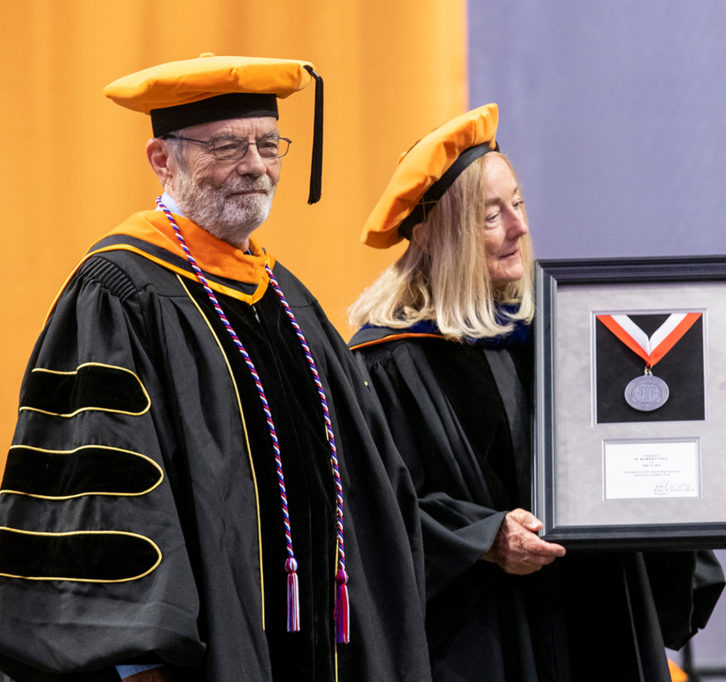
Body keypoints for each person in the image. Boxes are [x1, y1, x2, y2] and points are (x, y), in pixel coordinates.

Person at [0, 54, 431, 681]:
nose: (254, 165)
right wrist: (139, 658)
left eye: (267, 144)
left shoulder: (286, 297)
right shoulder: (120, 291)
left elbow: (369, 481)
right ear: (161, 159)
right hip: (202, 656)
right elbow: (103, 493)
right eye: (226, 146)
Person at [348, 104, 726, 681]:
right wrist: (484, 537)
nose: (519, 227)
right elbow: (373, 513)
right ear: (440, 236)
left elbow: (651, 433)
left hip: (597, 621)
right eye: (490, 216)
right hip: (481, 641)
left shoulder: (568, 333)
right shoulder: (390, 361)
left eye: (519, 204)